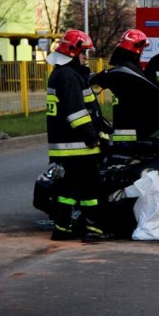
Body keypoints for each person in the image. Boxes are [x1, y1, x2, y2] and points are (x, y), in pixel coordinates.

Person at [45, 29, 112, 242]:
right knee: (90, 188)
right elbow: (77, 113)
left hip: (66, 145)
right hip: (78, 145)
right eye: (84, 53)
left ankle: (62, 229)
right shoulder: (68, 76)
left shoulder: (62, 73)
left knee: (69, 189)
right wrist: (93, 136)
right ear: (73, 52)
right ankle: (93, 229)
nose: (87, 57)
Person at [107, 28, 150, 144]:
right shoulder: (131, 71)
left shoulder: (121, 68)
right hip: (134, 132)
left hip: (121, 129)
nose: (142, 52)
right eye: (142, 49)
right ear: (136, 48)